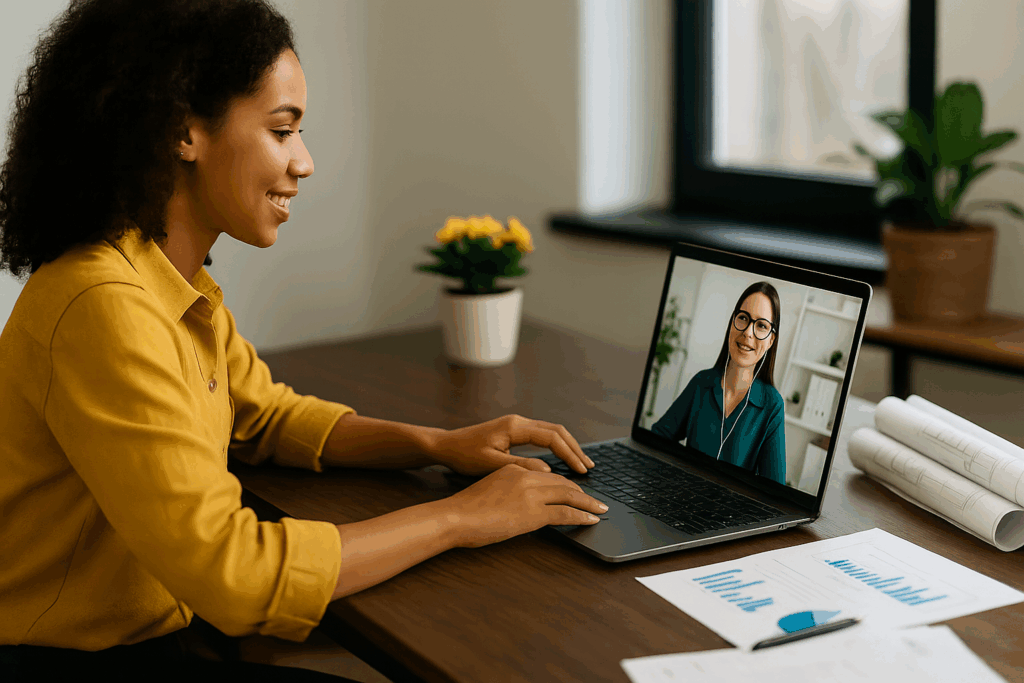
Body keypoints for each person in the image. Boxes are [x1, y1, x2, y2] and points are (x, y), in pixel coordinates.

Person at [0, 1, 607, 679]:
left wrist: (435, 444)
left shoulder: (167, 280)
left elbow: (264, 415)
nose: (306, 161)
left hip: (159, 632)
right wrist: (458, 518)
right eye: (282, 130)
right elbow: (236, 576)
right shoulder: (103, 306)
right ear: (182, 130)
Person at [651, 282, 786, 484]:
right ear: (732, 322)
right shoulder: (702, 383)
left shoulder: (772, 405)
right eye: (743, 318)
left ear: (771, 340)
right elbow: (656, 439)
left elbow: (775, 492)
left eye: (761, 326)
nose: (748, 332)